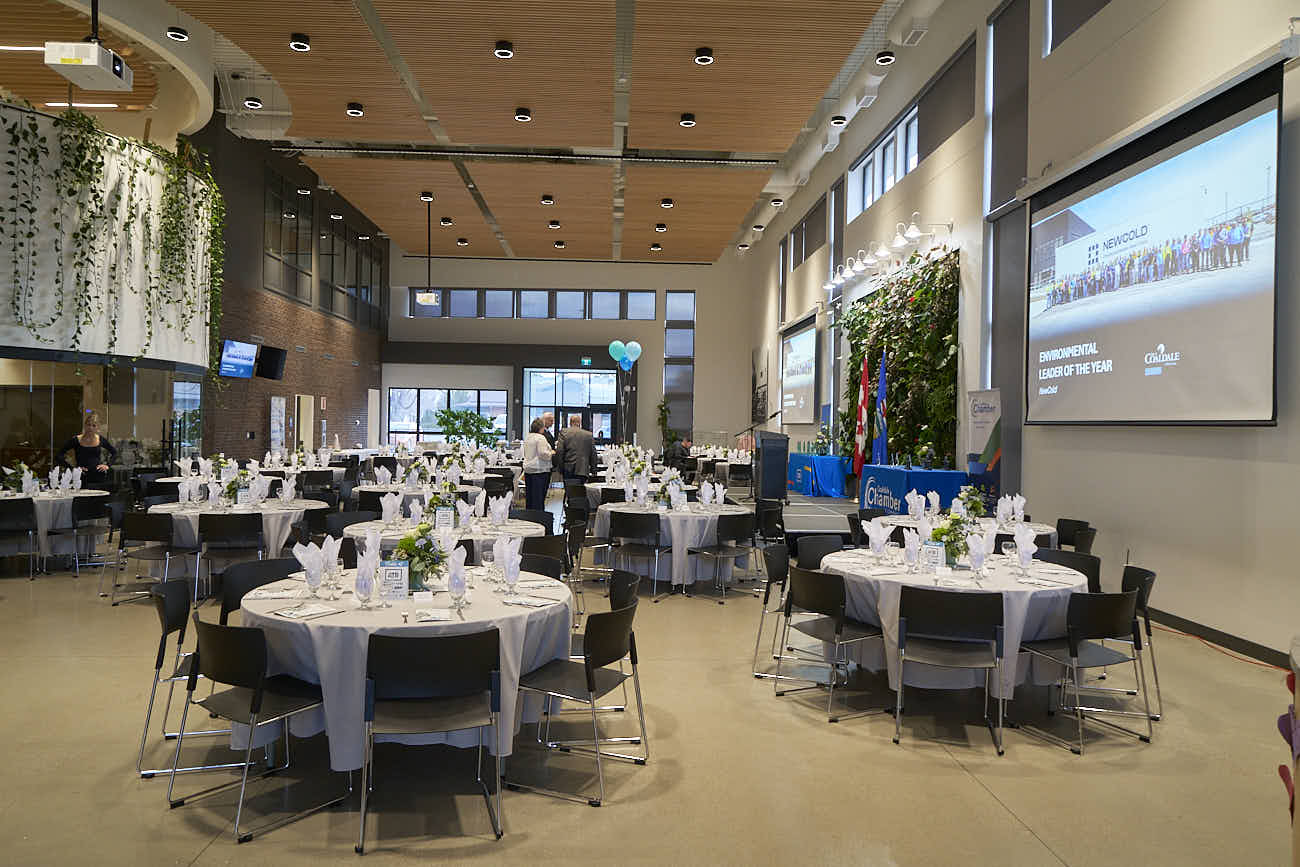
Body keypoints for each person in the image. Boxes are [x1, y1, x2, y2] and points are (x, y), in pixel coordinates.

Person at [59, 411, 117, 489]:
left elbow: (114, 453)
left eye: (94, 425)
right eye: (88, 425)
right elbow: (59, 455)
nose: (90, 428)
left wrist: (107, 465)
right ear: (85, 425)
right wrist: (72, 468)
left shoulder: (100, 439)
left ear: (97, 427)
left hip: (98, 476)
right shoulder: (76, 440)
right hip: (81, 476)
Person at [553, 414, 597, 487]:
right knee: (580, 491)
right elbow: (593, 454)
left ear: (570, 422)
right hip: (583, 469)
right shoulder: (588, 435)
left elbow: (559, 451)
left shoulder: (564, 433)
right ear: (579, 423)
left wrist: (560, 468)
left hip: (568, 469)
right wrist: (594, 470)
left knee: (570, 490)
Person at [522, 417, 554, 512]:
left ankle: (529, 516)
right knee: (538, 498)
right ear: (541, 428)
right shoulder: (540, 438)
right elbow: (543, 453)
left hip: (528, 469)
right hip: (539, 470)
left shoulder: (528, 437)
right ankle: (539, 517)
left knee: (530, 497)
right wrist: (551, 453)